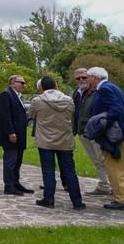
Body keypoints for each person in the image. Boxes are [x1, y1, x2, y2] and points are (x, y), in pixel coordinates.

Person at [86, 67, 124, 211]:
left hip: (114, 135)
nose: (87, 80)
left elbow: (115, 110)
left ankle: (123, 199)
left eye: (88, 77)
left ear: (94, 77)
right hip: (123, 133)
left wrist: (100, 120)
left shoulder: (104, 89)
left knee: (115, 168)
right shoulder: (113, 87)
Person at [28, 77, 84, 210]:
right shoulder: (69, 100)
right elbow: (72, 118)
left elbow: (31, 115)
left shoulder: (37, 101)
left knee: (48, 170)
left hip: (45, 140)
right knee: (69, 171)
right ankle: (77, 201)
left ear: (41, 88)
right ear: (56, 86)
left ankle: (48, 199)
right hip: (65, 140)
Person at [71, 68, 111, 196]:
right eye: (78, 78)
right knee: (96, 160)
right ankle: (104, 185)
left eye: (84, 77)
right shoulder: (76, 93)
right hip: (83, 131)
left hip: (96, 131)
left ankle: (113, 186)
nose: (81, 80)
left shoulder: (97, 91)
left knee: (103, 159)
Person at [0, 75, 33, 196]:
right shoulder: (6, 95)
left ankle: (16, 182)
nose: (23, 85)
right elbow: (4, 115)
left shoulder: (18, 96)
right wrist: (10, 132)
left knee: (18, 160)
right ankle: (9, 185)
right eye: (21, 82)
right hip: (11, 135)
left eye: (24, 82)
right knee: (10, 160)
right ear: (12, 83)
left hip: (20, 134)